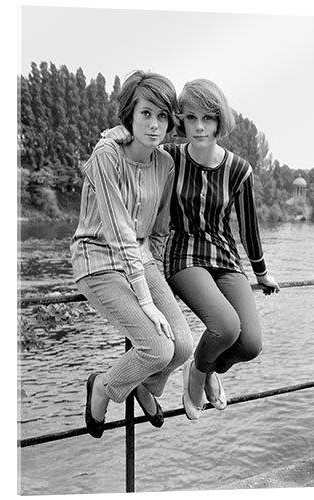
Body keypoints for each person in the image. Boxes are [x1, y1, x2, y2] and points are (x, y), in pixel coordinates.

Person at [104, 78, 280, 421]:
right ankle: (198, 374)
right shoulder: (169, 157)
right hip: (184, 254)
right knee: (226, 327)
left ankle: (204, 368)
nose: (199, 127)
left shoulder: (238, 169)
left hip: (225, 257)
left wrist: (260, 272)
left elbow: (248, 227)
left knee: (250, 344)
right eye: (191, 118)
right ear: (180, 121)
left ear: (220, 121)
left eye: (208, 118)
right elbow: (137, 142)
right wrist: (116, 134)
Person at [70, 70, 194, 438]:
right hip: (98, 258)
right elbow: (120, 231)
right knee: (156, 347)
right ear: (130, 114)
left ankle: (146, 386)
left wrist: (151, 270)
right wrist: (146, 299)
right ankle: (103, 387)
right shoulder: (107, 154)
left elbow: (158, 228)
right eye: (145, 114)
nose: (154, 125)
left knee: (183, 345)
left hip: (140, 258)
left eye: (162, 116)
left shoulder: (165, 164)